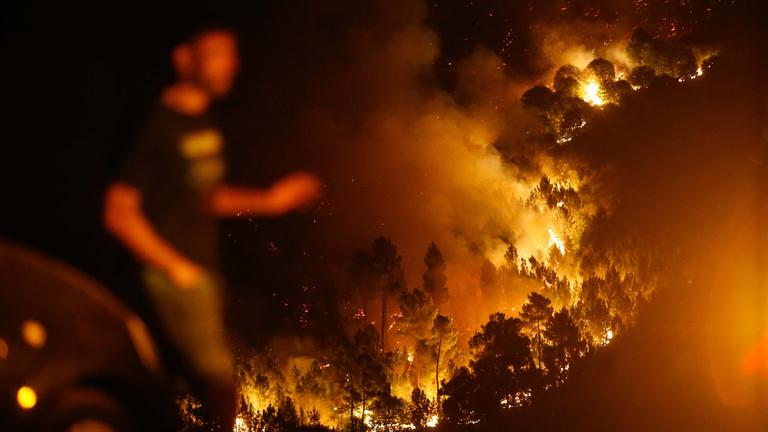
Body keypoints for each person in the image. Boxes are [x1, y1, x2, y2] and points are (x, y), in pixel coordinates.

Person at [102, 27, 320, 428]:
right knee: (219, 390)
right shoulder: (154, 125)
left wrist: (271, 200)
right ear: (184, 58)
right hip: (168, 279)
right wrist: (176, 269)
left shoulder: (203, 122)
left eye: (232, 53)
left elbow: (207, 197)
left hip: (199, 276)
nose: (230, 64)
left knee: (169, 393)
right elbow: (119, 212)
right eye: (217, 52)